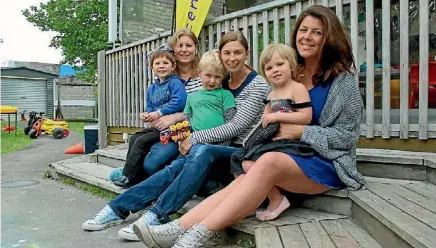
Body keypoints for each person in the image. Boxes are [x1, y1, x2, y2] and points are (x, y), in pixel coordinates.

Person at [133, 5, 366, 248]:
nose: (307, 36)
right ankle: (176, 228)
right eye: (303, 30)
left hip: (324, 162)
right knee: (245, 174)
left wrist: (302, 131)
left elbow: (348, 137)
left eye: (316, 32)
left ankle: (195, 237)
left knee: (265, 163)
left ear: (329, 37)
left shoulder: (342, 83)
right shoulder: (287, 72)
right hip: (285, 156)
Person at [83, 28, 202, 235]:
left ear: (195, 48)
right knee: (142, 146)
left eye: (188, 45)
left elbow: (203, 108)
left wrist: (172, 117)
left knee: (156, 162)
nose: (184, 50)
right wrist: (151, 117)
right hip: (165, 130)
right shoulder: (164, 78)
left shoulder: (205, 74)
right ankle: (130, 179)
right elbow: (152, 106)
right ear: (173, 50)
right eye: (179, 45)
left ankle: (130, 179)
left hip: (189, 131)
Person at [231, 44, 313, 221]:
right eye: (269, 68)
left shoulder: (296, 88)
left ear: (291, 65)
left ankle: (276, 199)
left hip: (289, 143)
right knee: (241, 160)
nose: (274, 70)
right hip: (272, 141)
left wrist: (277, 117)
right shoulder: (271, 94)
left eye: (279, 64)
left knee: (252, 163)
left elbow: (306, 117)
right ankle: (256, 198)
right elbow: (264, 120)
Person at [113, 45, 187, 188]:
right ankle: (132, 174)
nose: (161, 66)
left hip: (172, 128)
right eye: (157, 63)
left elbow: (179, 101)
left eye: (165, 63)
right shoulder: (152, 88)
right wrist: (147, 115)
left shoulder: (175, 83)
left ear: (173, 66)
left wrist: (159, 113)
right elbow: (150, 106)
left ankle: (129, 177)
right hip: (157, 127)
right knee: (134, 138)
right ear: (151, 67)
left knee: (141, 142)